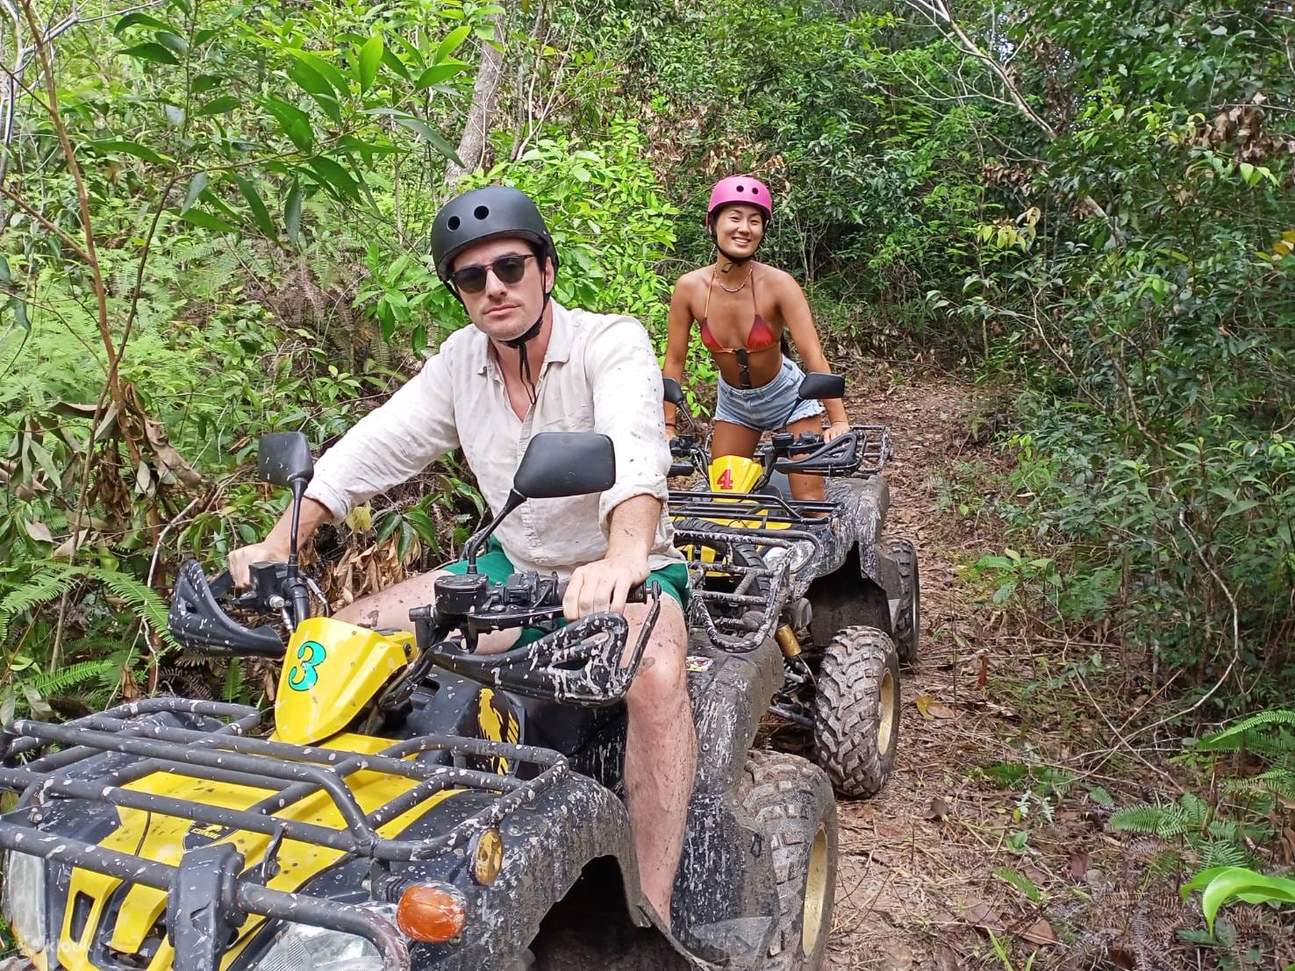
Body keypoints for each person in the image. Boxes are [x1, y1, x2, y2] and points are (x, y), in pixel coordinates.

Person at [228, 186, 696, 923]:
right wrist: (281, 536)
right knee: (343, 643)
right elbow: (377, 444)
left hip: (622, 569)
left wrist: (622, 554)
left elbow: (635, 452)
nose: (494, 289)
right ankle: (307, 858)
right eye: (472, 279)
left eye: (509, 267)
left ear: (545, 268)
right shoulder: (461, 364)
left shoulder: (609, 341)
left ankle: (651, 908)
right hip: (510, 569)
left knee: (657, 676)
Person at [661, 176, 850, 501]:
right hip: (734, 403)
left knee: (809, 502)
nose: (744, 228)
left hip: (789, 397)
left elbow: (812, 354)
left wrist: (839, 419)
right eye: (734, 217)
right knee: (726, 498)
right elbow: (674, 360)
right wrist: (668, 426)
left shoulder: (779, 285)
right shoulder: (690, 288)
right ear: (713, 223)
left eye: (754, 221)